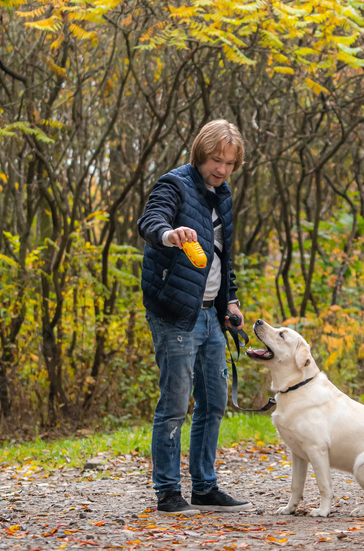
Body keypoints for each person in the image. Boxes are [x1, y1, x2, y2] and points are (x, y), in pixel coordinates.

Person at [137, 119, 251, 515]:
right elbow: (150, 222)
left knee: (214, 402)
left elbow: (224, 256)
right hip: (176, 312)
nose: (221, 169)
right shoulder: (174, 184)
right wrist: (171, 235)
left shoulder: (223, 194)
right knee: (174, 404)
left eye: (229, 163)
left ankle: (204, 486)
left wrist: (231, 301)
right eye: (216, 160)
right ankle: (168, 492)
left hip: (211, 315)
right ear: (201, 154)